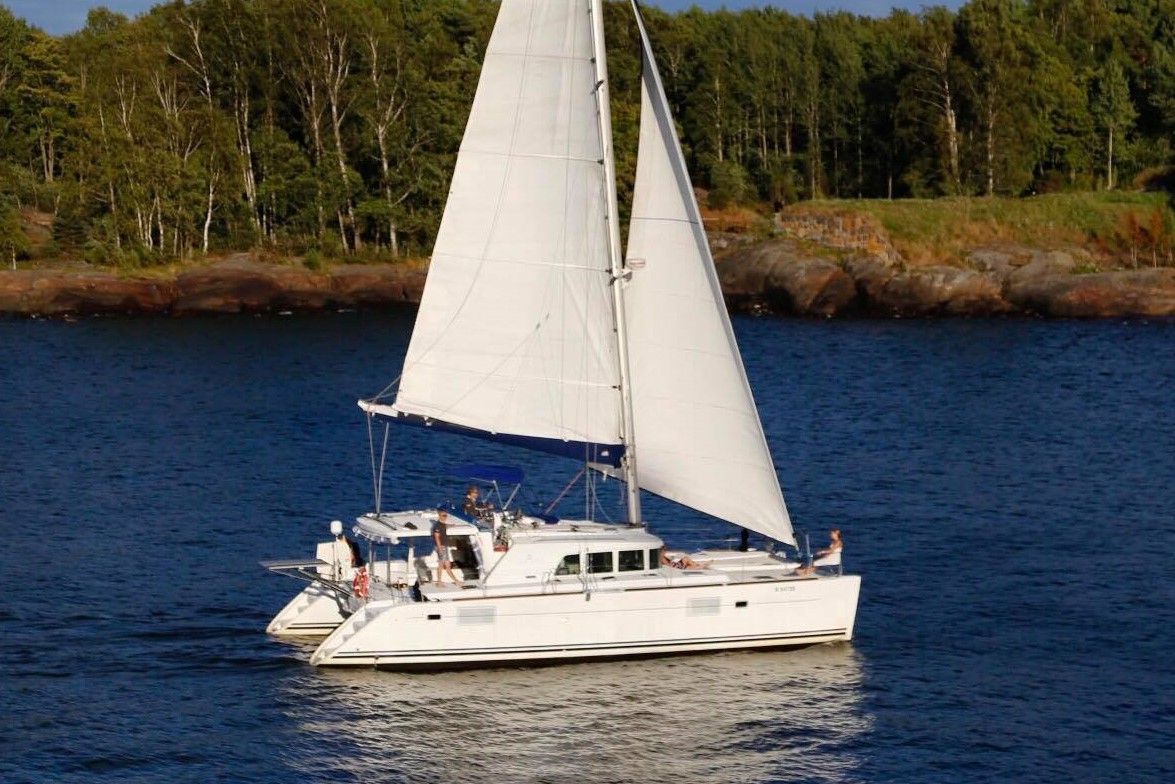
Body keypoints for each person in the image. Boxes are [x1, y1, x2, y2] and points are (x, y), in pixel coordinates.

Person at [432, 508, 462, 586]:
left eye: (446, 515)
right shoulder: (437, 526)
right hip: (442, 547)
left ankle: (453, 581)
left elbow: (445, 526)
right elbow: (437, 537)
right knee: (443, 565)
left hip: (444, 547)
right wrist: (440, 549)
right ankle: (441, 582)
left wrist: (452, 525)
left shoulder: (442, 524)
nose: (445, 517)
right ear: (439, 516)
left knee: (445, 565)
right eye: (443, 515)